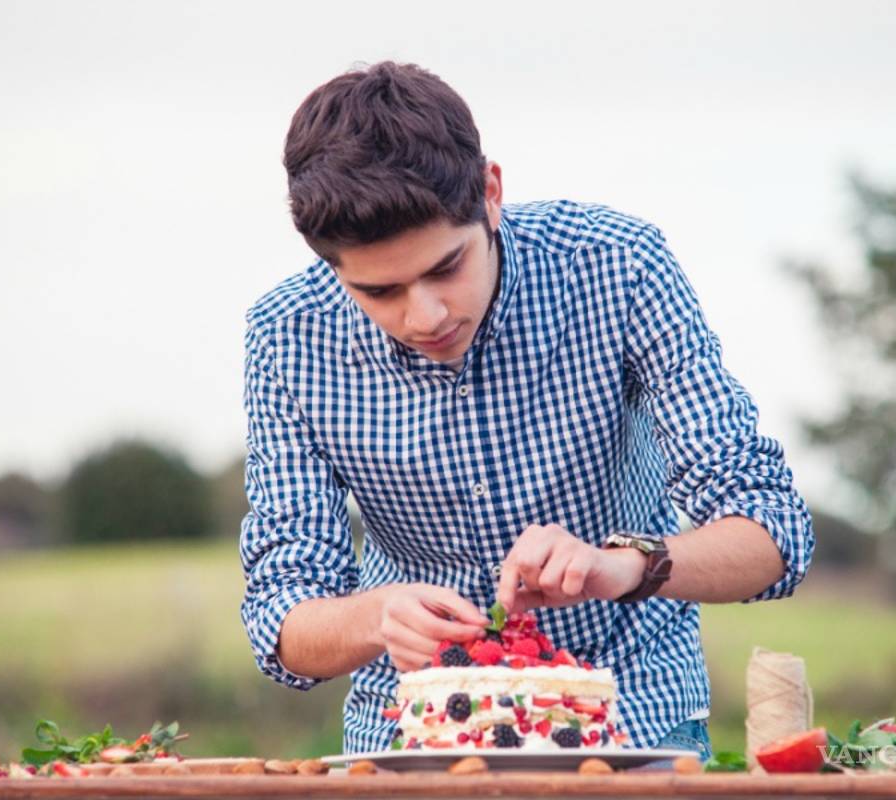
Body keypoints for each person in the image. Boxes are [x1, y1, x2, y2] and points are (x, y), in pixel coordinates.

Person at [239, 60, 815, 759]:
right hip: (409, 738)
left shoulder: (619, 266)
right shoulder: (285, 337)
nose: (425, 317)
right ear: (328, 264)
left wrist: (624, 564)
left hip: (630, 717)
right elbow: (281, 618)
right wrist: (373, 616)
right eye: (381, 292)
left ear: (490, 193)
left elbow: (773, 530)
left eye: (446, 267)